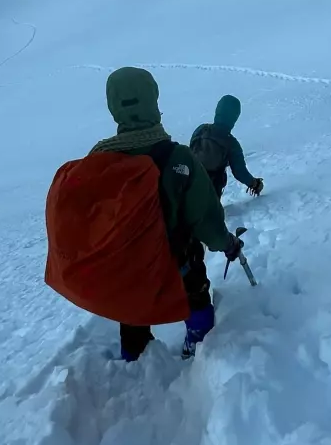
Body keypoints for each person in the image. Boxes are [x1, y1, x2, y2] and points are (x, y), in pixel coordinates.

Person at [90, 67, 244, 361]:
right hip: (179, 260)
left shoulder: (100, 160)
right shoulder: (178, 158)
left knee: (132, 309)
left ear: (113, 106)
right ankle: (199, 350)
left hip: (128, 265)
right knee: (196, 296)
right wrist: (228, 244)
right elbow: (206, 218)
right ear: (153, 101)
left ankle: (134, 359)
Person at [189, 95, 264, 200]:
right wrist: (255, 184)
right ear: (234, 118)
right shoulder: (231, 143)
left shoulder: (201, 130)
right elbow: (239, 172)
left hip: (187, 187)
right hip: (210, 196)